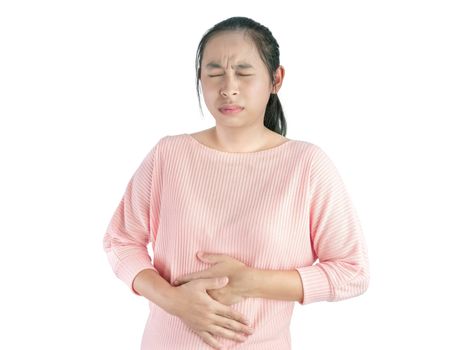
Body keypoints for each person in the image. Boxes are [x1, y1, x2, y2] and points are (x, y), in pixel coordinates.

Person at [103, 16, 370, 350]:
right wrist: (174, 301)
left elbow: (352, 272)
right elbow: (120, 241)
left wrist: (252, 282)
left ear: (276, 79)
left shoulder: (306, 165)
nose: (228, 87)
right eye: (214, 73)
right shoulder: (168, 155)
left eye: (243, 73)